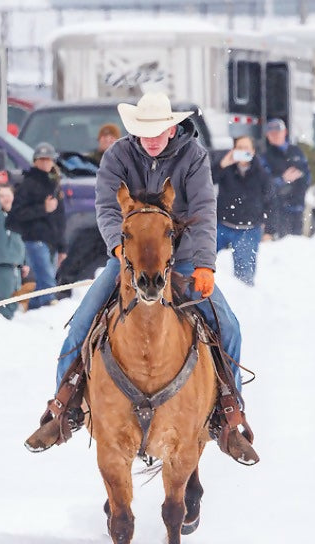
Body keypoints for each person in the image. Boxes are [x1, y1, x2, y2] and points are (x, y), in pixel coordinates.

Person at [24, 91, 258, 463]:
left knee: (228, 327)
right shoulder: (118, 155)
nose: (150, 138)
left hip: (179, 262)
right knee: (81, 324)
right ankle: (62, 409)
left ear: (171, 128)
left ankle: (229, 415)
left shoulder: (192, 156)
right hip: (128, 261)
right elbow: (106, 206)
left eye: (157, 130)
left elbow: (202, 210)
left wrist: (204, 265)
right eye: (143, 130)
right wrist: (120, 250)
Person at [7, 142, 66, 310]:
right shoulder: (28, 183)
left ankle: (33, 310)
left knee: (44, 282)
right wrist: (43, 209)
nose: (46, 163)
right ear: (35, 161)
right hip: (34, 238)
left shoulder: (55, 184)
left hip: (51, 240)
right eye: (42, 160)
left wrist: (63, 248)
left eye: (49, 160)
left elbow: (60, 218)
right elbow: (17, 214)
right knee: (47, 281)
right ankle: (44, 309)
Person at [212, 135, 272, 285]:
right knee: (205, 264)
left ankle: (246, 303)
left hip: (248, 230)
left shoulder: (261, 173)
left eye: (246, 148)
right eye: (239, 148)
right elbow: (208, 180)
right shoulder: (226, 168)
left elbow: (271, 201)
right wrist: (222, 165)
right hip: (223, 226)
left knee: (245, 277)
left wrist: (269, 229)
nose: (243, 151)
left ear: (253, 151)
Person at [0, 177, 28, 319]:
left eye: (8, 195)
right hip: (0, 266)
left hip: (14, 267)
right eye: (1, 196)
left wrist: (24, 263)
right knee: (7, 302)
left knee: (14, 300)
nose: (5, 199)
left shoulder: (17, 218)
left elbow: (21, 243)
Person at [261, 118, 310, 240]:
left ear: (285, 132)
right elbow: (264, 183)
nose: (275, 136)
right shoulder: (265, 157)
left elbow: (307, 174)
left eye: (278, 132)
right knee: (282, 243)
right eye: (271, 134)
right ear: (268, 136)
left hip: (297, 206)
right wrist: (283, 180)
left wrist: (301, 177)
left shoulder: (297, 152)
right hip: (278, 209)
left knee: (296, 242)